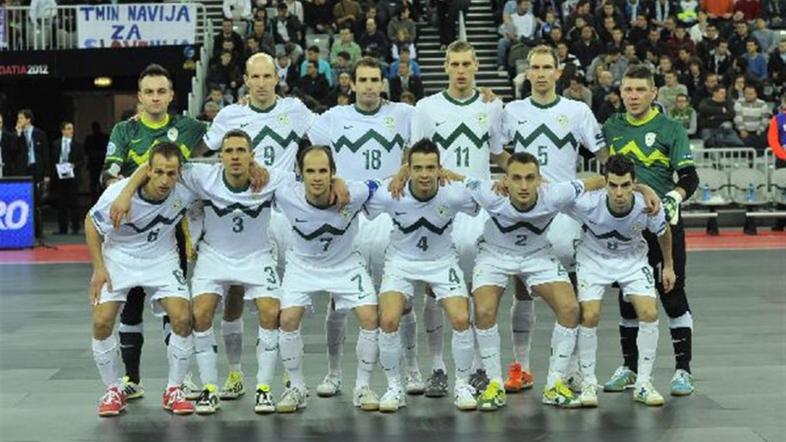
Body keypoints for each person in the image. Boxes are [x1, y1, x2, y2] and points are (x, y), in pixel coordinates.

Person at [201, 53, 320, 399]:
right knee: (234, 293)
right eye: (256, 76)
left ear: (276, 78)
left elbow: (329, 129)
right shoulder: (230, 114)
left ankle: (284, 370)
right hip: (244, 216)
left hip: (285, 214)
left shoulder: (296, 110)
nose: (263, 82)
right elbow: (203, 147)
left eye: (269, 76)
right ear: (246, 79)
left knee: (283, 298)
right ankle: (236, 373)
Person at [307, 56, 424, 397]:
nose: (370, 85)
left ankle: (413, 369)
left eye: (376, 79)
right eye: (364, 80)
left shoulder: (406, 114)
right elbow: (293, 125)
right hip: (347, 215)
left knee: (401, 298)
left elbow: (440, 120)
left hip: (390, 212)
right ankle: (332, 373)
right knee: (338, 297)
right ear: (352, 84)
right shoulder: (333, 118)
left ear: (382, 83)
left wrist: (488, 100)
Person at [498, 45, 610, 395]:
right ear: (527, 73)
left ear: (558, 72)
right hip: (525, 208)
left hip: (565, 210)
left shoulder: (577, 111)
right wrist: (521, 177)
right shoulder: (511, 111)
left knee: (572, 291)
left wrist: (617, 175)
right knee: (522, 286)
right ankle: (522, 366)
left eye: (548, 67)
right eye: (536, 67)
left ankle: (574, 367)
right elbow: (498, 151)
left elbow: (602, 152)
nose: (542, 73)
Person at [399, 40, 506, 398]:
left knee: (479, 290)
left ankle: (476, 365)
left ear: (476, 66)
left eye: (466, 64)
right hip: (438, 208)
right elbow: (412, 157)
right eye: (454, 64)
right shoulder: (427, 108)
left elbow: (499, 154)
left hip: (476, 209)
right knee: (433, 287)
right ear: (445, 67)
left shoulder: (492, 106)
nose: (461, 70)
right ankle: (438, 367)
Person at [462, 152, 607, 410]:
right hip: (494, 255)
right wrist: (405, 171)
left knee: (571, 308)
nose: (524, 185)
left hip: (537, 255)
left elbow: (600, 181)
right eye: (516, 178)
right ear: (505, 180)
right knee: (483, 310)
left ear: (540, 180)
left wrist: (644, 191)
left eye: (530, 178)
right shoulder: (489, 193)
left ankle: (553, 384)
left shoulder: (556, 193)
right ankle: (494, 383)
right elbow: (454, 179)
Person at [100, 64, 208, 401]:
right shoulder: (125, 131)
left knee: (172, 306)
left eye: (162, 91)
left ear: (172, 95)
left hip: (170, 231)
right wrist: (120, 191)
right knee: (130, 307)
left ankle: (180, 379)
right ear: (140, 97)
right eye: (149, 92)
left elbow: (227, 139)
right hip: (129, 231)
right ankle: (131, 379)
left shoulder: (189, 128)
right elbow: (109, 173)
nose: (156, 97)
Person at [603, 64, 699, 397]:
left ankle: (683, 371)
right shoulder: (611, 127)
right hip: (625, 227)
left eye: (640, 90)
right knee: (628, 297)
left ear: (653, 92)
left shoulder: (670, 128)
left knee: (672, 294)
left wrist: (673, 197)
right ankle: (630, 369)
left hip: (662, 227)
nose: (633, 96)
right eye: (627, 89)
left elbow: (690, 178)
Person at [365, 140, 478, 412]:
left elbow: (483, 189)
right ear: (408, 169)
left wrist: (459, 177)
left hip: (442, 261)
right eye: (418, 168)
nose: (424, 174)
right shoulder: (392, 192)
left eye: (431, 168)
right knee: (389, 319)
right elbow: (363, 192)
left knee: (461, 318)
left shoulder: (453, 193)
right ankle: (394, 387)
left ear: (440, 169)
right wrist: (393, 175)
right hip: (400, 262)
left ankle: (462, 384)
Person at [86, 143, 197, 417]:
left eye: (171, 173)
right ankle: (113, 389)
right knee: (101, 322)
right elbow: (91, 223)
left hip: (161, 258)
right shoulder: (118, 194)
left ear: (179, 173)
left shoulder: (185, 190)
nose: (164, 180)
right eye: (158, 172)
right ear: (147, 170)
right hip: (119, 257)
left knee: (183, 318)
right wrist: (98, 268)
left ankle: (174, 388)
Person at [274, 145, 381, 413]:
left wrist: (403, 170)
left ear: (333, 172)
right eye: (310, 171)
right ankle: (296, 387)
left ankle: (363, 387)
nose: (317, 177)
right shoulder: (286, 193)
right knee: (286, 320)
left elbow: (381, 184)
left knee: (370, 317)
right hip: (303, 265)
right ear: (300, 173)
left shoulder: (354, 193)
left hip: (345, 264)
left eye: (323, 170)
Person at [569, 154, 675, 408]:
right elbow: (551, 197)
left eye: (625, 185)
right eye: (613, 185)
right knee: (590, 315)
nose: (619, 193)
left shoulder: (646, 205)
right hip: (593, 259)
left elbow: (664, 232)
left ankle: (644, 383)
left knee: (649, 312)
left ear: (634, 184)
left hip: (632, 259)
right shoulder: (587, 203)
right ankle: (587, 383)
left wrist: (669, 266)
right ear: (605, 183)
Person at [15, 108, 49, 238]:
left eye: (21, 118)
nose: (19, 121)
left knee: (36, 202)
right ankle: (23, 230)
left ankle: (38, 232)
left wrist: (47, 175)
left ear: (28, 119)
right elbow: (14, 152)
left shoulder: (39, 133)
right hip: (23, 170)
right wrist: (18, 135)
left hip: (36, 169)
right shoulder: (17, 134)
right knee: (23, 200)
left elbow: (45, 154)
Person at [50, 121, 85, 235]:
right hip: (60, 176)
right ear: (63, 130)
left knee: (74, 202)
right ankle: (62, 228)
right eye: (69, 129)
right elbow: (53, 159)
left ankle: (75, 227)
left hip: (72, 175)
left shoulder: (77, 144)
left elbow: (82, 160)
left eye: (72, 129)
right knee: (61, 203)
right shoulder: (56, 143)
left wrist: (74, 165)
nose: (71, 131)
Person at [84, 122, 109, 203]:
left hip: (96, 164)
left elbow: (86, 151)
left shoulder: (90, 138)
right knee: (97, 184)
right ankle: (99, 200)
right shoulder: (104, 137)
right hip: (99, 164)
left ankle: (95, 200)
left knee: (95, 184)